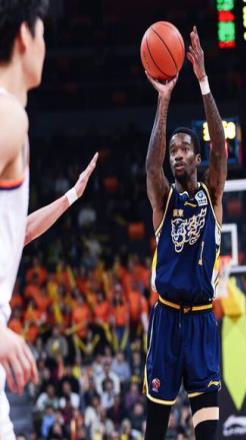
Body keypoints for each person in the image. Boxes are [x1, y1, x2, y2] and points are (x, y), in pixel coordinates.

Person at [0, 2, 97, 437]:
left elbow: (13, 235)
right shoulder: (8, 116)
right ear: (25, 35)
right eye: (43, 34)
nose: (45, 46)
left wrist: (71, 197)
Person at [143, 26, 226, 440]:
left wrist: (203, 81)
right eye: (173, 150)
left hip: (201, 322)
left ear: (196, 158)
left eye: (183, 150)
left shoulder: (213, 193)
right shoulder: (164, 200)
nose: (176, 155)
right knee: (155, 431)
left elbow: (221, 147)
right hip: (166, 319)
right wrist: (164, 100)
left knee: (207, 433)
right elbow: (150, 166)